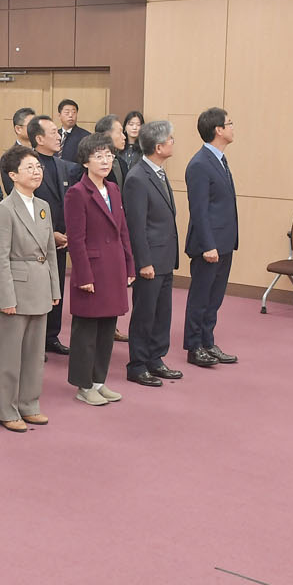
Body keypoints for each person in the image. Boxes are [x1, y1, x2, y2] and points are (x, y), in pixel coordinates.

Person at [0, 146, 60, 432]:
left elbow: (51, 251)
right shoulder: (4, 210)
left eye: (38, 167)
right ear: (13, 175)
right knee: (9, 356)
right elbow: (0, 258)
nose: (36, 172)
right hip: (16, 289)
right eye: (29, 167)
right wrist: (6, 297)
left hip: (40, 286)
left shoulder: (43, 206)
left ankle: (29, 404)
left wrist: (54, 288)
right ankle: (7, 410)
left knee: (34, 354)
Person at [63, 134, 135, 407]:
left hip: (113, 266)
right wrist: (83, 275)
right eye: (99, 156)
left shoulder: (113, 189)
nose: (106, 161)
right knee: (86, 331)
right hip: (92, 269)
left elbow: (123, 230)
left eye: (109, 156)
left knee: (107, 328)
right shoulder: (77, 193)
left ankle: (98, 382)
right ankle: (83, 385)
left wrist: (129, 264)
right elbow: (76, 239)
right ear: (85, 161)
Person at [120, 120, 183, 387]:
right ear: (158, 147)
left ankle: (155, 358)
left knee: (162, 312)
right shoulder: (137, 177)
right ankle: (137, 364)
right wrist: (143, 262)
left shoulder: (159, 172)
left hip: (165, 256)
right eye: (170, 139)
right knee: (145, 314)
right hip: (150, 260)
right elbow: (136, 226)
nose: (173, 143)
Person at [182, 107, 239, 368]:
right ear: (218, 130)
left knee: (214, 298)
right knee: (200, 297)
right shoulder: (199, 164)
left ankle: (207, 341)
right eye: (229, 123)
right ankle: (194, 347)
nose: (233, 127)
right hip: (208, 245)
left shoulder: (220, 159)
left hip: (224, 241)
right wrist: (208, 245)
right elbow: (199, 210)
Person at [27, 114, 80, 355]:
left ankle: (51, 336)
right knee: (37, 291)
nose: (59, 136)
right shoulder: (28, 165)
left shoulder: (62, 165)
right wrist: (51, 233)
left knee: (56, 288)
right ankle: (34, 342)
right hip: (36, 241)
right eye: (53, 133)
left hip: (61, 241)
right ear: (39, 139)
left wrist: (66, 231)